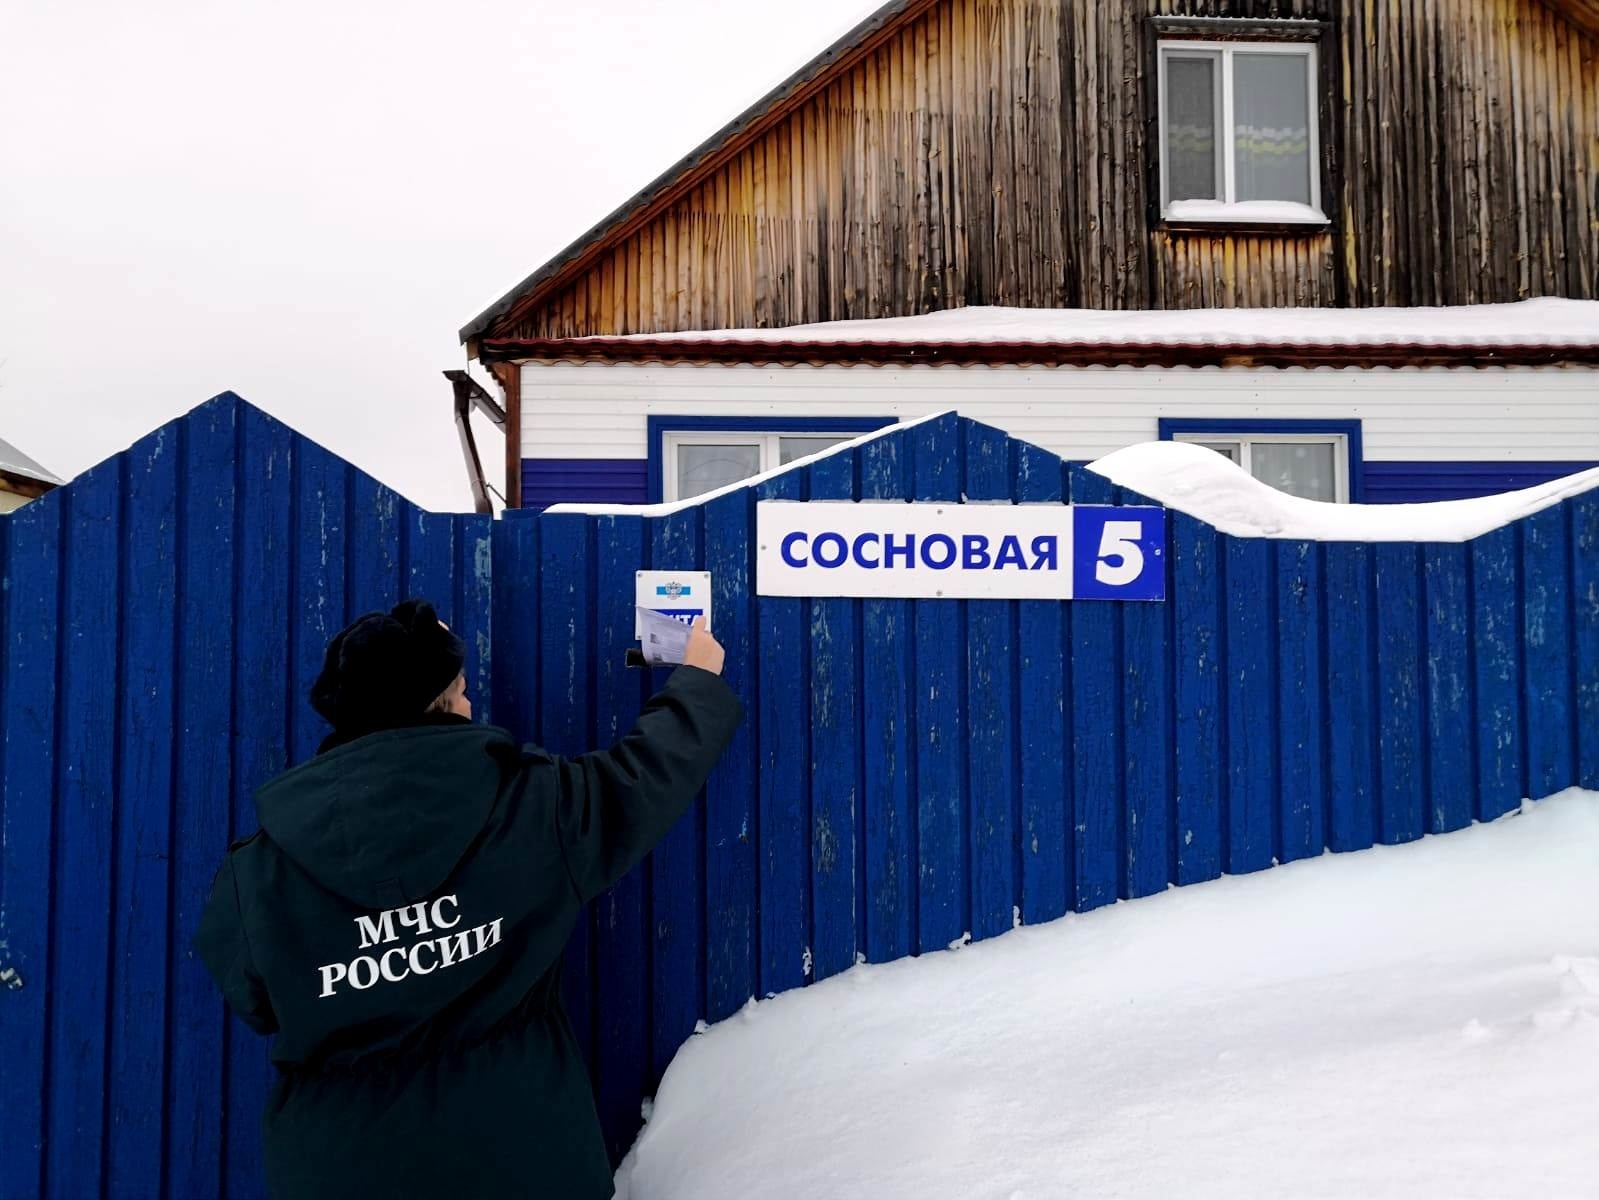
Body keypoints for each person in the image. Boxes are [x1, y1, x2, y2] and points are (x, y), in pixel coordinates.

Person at [195, 598, 742, 1199]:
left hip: (342, 1170)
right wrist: (695, 683)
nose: (471, 701)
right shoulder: (532, 808)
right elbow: (638, 782)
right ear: (442, 706)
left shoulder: (261, 871)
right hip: (521, 1160)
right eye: (460, 688)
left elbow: (253, 997)